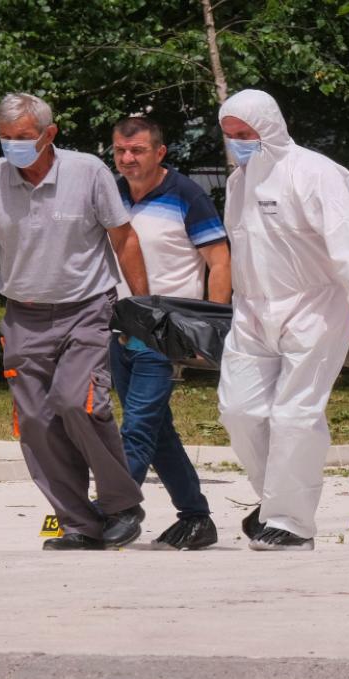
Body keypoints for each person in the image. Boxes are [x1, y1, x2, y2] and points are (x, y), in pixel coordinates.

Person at [0, 93, 149, 551]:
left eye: (22, 137)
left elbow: (124, 238)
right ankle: (78, 523)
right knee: (35, 421)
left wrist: (141, 309)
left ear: (49, 134)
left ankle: (121, 505)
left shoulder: (87, 172)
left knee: (77, 402)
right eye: (5, 137)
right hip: (24, 316)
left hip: (87, 308)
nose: (12, 146)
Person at [215, 88, 349, 551]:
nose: (238, 143)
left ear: (269, 127)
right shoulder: (238, 183)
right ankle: (274, 502)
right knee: (238, 411)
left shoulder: (315, 172)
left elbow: (348, 236)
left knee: (295, 414)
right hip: (252, 309)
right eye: (230, 134)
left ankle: (291, 524)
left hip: (315, 306)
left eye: (245, 133)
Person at [109, 116, 230, 550]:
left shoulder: (186, 194)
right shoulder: (112, 195)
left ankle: (116, 511)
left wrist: (212, 328)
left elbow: (219, 260)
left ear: (160, 152)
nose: (127, 158)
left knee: (138, 427)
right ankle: (196, 518)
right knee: (158, 430)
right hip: (119, 329)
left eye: (137, 150)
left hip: (165, 333)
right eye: (120, 150)